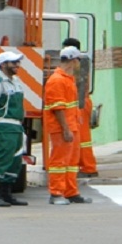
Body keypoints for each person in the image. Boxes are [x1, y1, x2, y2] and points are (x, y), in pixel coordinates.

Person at [43, 46, 93, 205]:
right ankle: (56, 193)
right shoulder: (57, 80)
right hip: (62, 128)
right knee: (59, 162)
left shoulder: (67, 78)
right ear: (73, 60)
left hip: (72, 126)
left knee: (71, 162)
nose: (79, 64)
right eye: (78, 60)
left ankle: (71, 192)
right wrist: (65, 129)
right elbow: (58, 108)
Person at [0, 51, 29, 207]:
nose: (17, 65)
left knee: (15, 160)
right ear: (3, 65)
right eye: (13, 62)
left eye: (17, 62)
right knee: (2, 159)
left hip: (16, 126)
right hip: (3, 125)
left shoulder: (16, 82)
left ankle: (6, 194)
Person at [63, 37, 98, 177]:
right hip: (80, 103)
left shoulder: (79, 62)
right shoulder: (81, 61)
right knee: (82, 138)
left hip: (80, 104)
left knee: (83, 139)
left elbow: (79, 85)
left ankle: (88, 168)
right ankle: (84, 166)